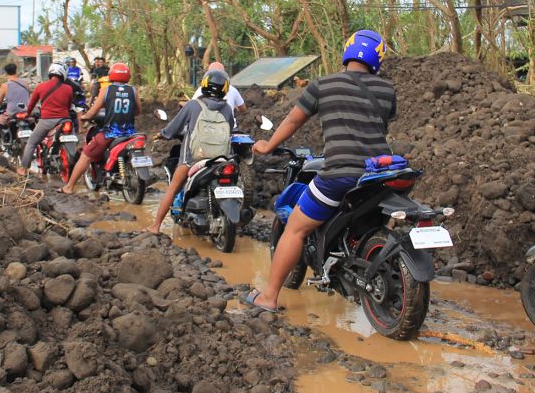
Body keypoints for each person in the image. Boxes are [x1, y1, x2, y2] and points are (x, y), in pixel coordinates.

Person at [247, 30, 395, 312]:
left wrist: (267, 146)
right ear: (378, 58)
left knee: (295, 229)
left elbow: (293, 121)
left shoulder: (323, 84)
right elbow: (376, 126)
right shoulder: (386, 90)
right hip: (379, 176)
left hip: (340, 174)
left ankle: (268, 297)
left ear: (347, 51)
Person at [146, 69, 236, 234]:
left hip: (193, 159)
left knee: (173, 188)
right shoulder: (228, 109)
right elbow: (230, 130)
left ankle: (155, 226)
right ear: (225, 88)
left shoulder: (193, 105)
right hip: (221, 159)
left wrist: (163, 135)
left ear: (204, 85)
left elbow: (173, 128)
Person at [61, 62, 138, 194]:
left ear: (111, 75)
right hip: (130, 133)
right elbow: (137, 111)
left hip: (110, 133)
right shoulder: (133, 90)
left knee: (85, 155)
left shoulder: (106, 89)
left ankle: (68, 187)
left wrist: (85, 117)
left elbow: (93, 111)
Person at [17, 63, 78, 176]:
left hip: (46, 121)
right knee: (74, 140)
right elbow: (69, 106)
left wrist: (27, 114)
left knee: (31, 143)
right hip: (64, 120)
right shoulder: (68, 88)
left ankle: (24, 169)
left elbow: (31, 104)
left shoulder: (40, 87)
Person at [0, 62, 32, 143]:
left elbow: (0, 101)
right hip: (26, 111)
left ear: (6, 73)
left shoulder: (5, 86)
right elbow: (28, 94)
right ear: (16, 70)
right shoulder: (25, 83)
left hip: (11, 113)